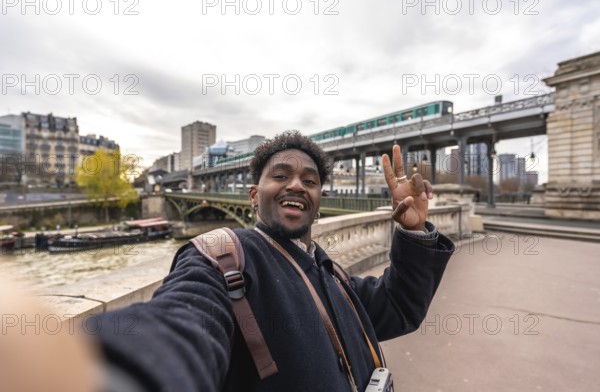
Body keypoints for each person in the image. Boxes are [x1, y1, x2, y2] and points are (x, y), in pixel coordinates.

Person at [90, 130, 454, 391]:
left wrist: (414, 231)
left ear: (318, 199)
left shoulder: (333, 275)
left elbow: (399, 307)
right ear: (253, 195)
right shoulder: (223, 259)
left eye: (309, 181)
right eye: (281, 176)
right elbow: (183, 322)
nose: (296, 185)